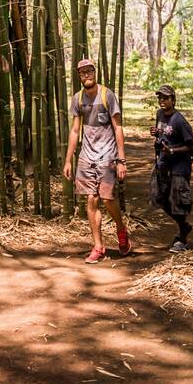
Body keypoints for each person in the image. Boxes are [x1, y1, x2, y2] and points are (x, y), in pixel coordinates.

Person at [63, 58, 131, 262]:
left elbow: (118, 127)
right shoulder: (77, 99)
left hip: (108, 154)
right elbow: (75, 130)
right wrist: (68, 160)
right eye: (82, 72)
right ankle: (99, 247)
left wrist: (121, 160)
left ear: (95, 72)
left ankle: (121, 229)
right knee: (91, 199)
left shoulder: (106, 95)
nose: (86, 75)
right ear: (79, 76)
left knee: (108, 199)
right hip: (87, 156)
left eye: (89, 71)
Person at [149, 83, 193, 251]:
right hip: (163, 163)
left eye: (166, 98)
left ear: (173, 100)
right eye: (160, 97)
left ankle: (182, 240)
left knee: (178, 202)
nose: (162, 100)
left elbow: (192, 146)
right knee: (158, 197)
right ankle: (184, 225)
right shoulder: (160, 114)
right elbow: (164, 134)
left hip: (179, 167)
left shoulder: (180, 121)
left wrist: (172, 150)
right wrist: (156, 134)